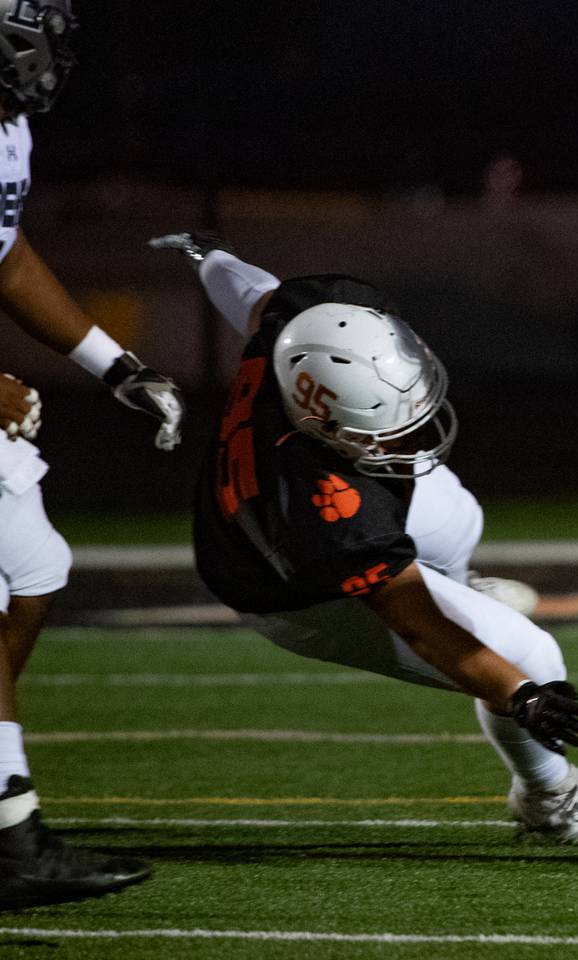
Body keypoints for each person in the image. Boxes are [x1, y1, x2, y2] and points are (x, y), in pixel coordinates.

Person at [150, 231, 578, 850]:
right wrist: (517, 694)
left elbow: (259, 296)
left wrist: (206, 256)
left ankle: (460, 587)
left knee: (457, 517)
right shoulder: (328, 505)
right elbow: (419, 625)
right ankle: (547, 798)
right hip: (291, 589)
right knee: (531, 656)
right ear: (323, 423)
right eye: (388, 434)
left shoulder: (314, 320)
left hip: (322, 509)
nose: (409, 443)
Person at [0, 1, 184, 909]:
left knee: (33, 568)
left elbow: (4, 256)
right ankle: (9, 831)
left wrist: (110, 362)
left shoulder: (10, 127)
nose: (58, 49)